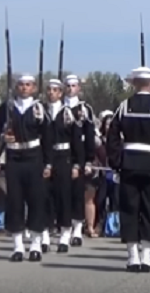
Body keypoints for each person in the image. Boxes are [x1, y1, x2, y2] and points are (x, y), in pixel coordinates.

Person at [105, 66, 150, 273]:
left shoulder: (123, 106)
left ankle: (132, 255)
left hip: (129, 163)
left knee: (130, 209)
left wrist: (116, 163)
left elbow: (112, 138)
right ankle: (147, 254)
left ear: (134, 83)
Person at [0, 74, 50, 263]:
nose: (24, 88)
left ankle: (35, 243)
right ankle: (17, 245)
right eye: (21, 85)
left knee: (36, 200)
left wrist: (48, 163)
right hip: (14, 157)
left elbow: (49, 136)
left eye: (28, 85)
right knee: (14, 201)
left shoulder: (40, 108)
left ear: (33, 88)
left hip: (34, 157)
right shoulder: (7, 107)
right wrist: (3, 136)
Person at [41, 79, 85, 253]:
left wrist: (77, 164)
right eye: (49, 90)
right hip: (45, 158)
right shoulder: (41, 111)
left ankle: (65, 234)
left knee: (64, 197)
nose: (51, 93)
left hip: (64, 157)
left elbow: (77, 141)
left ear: (60, 93)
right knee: (45, 198)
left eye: (55, 90)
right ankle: (44, 234)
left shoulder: (67, 113)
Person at [63, 74, 96, 246]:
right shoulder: (59, 107)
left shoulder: (85, 109)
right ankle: (64, 228)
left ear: (79, 89)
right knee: (62, 194)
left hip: (80, 154)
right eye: (67, 86)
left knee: (77, 193)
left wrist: (89, 159)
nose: (70, 89)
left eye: (73, 86)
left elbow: (90, 135)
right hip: (62, 153)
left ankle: (77, 229)